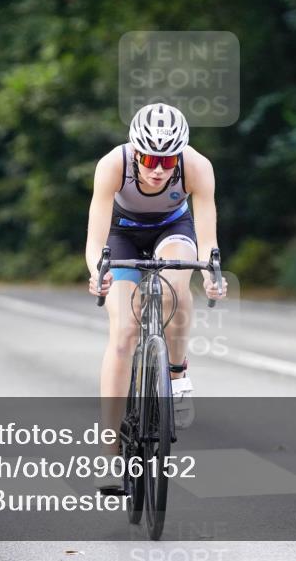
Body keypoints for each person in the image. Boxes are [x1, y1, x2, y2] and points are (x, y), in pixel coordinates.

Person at [85, 102, 227, 491]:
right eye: (149, 158)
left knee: (176, 286)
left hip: (172, 229)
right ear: (135, 151)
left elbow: (207, 237)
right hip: (121, 233)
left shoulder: (197, 167)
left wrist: (212, 273)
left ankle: (177, 375)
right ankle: (109, 455)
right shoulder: (113, 165)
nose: (158, 169)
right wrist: (96, 272)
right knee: (124, 334)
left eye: (167, 161)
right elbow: (95, 237)